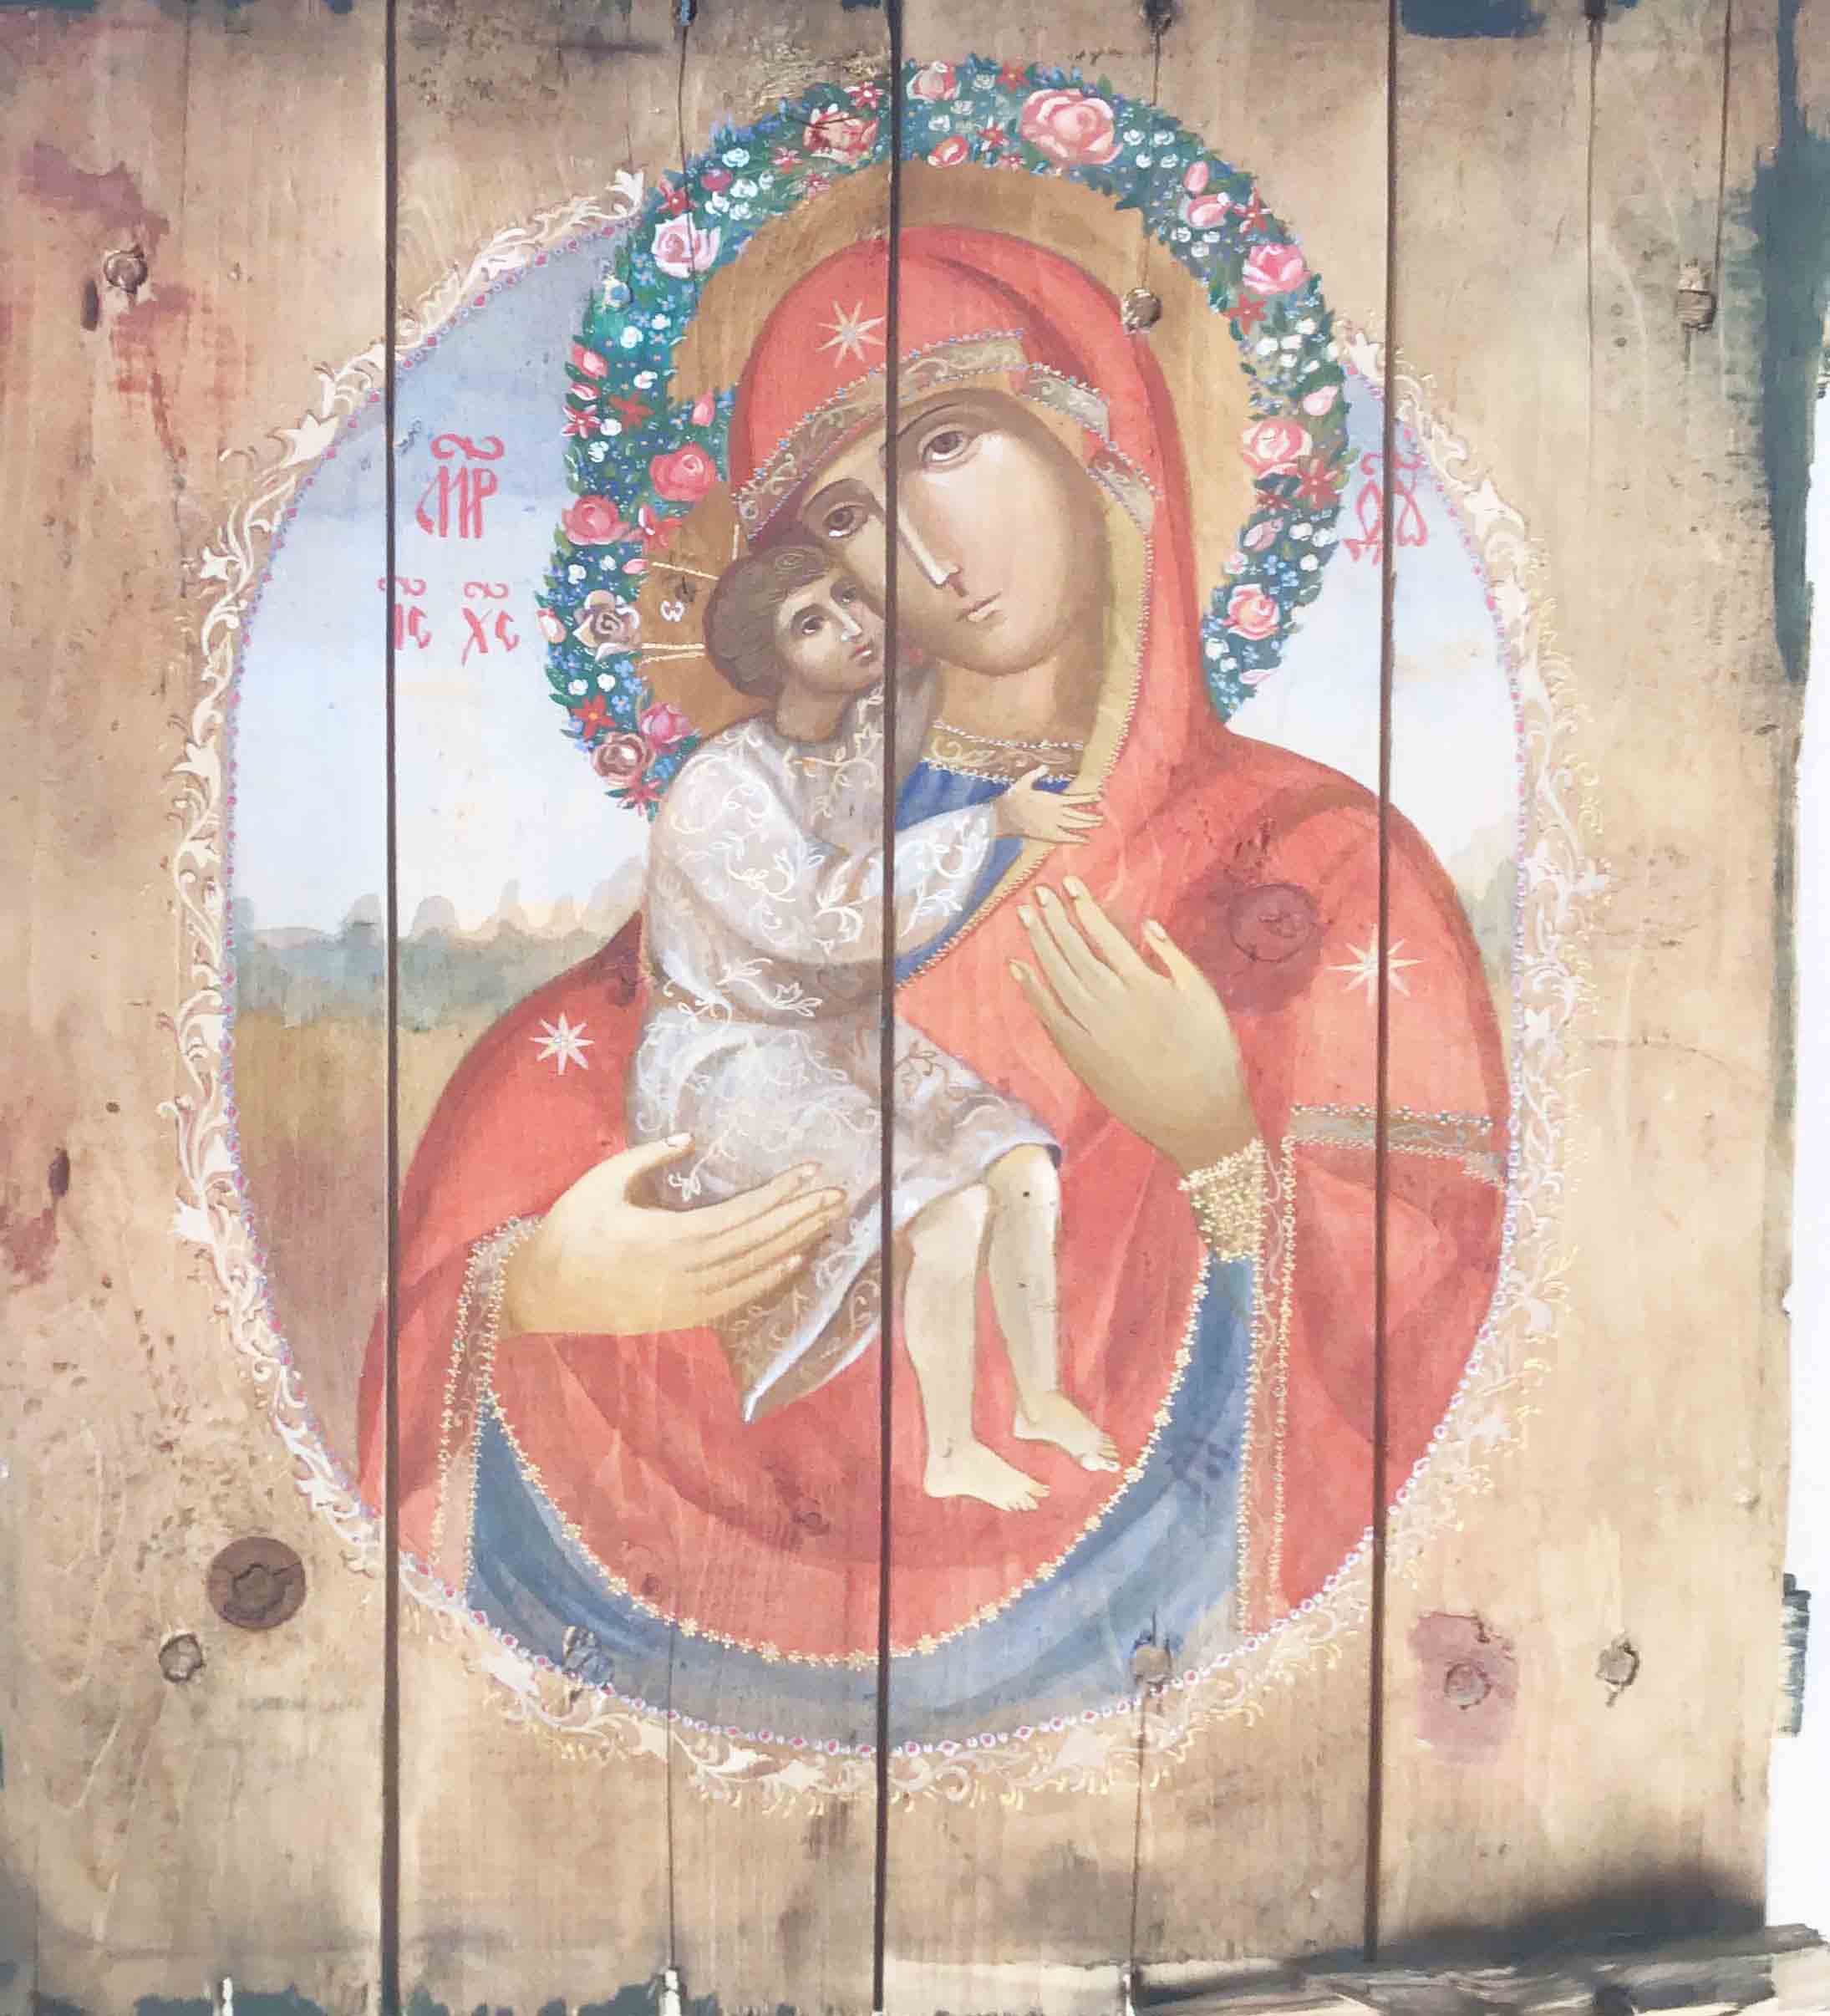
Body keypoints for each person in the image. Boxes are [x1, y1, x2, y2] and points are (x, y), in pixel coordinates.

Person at [357, 225, 1507, 1704]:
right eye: (842, 515)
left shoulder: (1319, 858)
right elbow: (561, 1107)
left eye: (948, 443)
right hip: (678, 1621)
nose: (913, 554)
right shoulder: (775, 825)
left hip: (1150, 1651)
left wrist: (1221, 1146)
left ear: (1095, 435)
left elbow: (1445, 1301)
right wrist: (533, 1288)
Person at [631, 541, 1114, 1506]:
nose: (853, 627)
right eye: (810, 623)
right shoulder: (722, 789)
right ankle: (949, 1452)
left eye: (849, 596)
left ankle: (1041, 1399)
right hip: (731, 1059)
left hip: (842, 1034)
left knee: (1022, 1165)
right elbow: (820, 916)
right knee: (948, 1209)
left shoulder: (867, 725)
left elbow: (968, 670)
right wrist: (988, 826)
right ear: (769, 664)